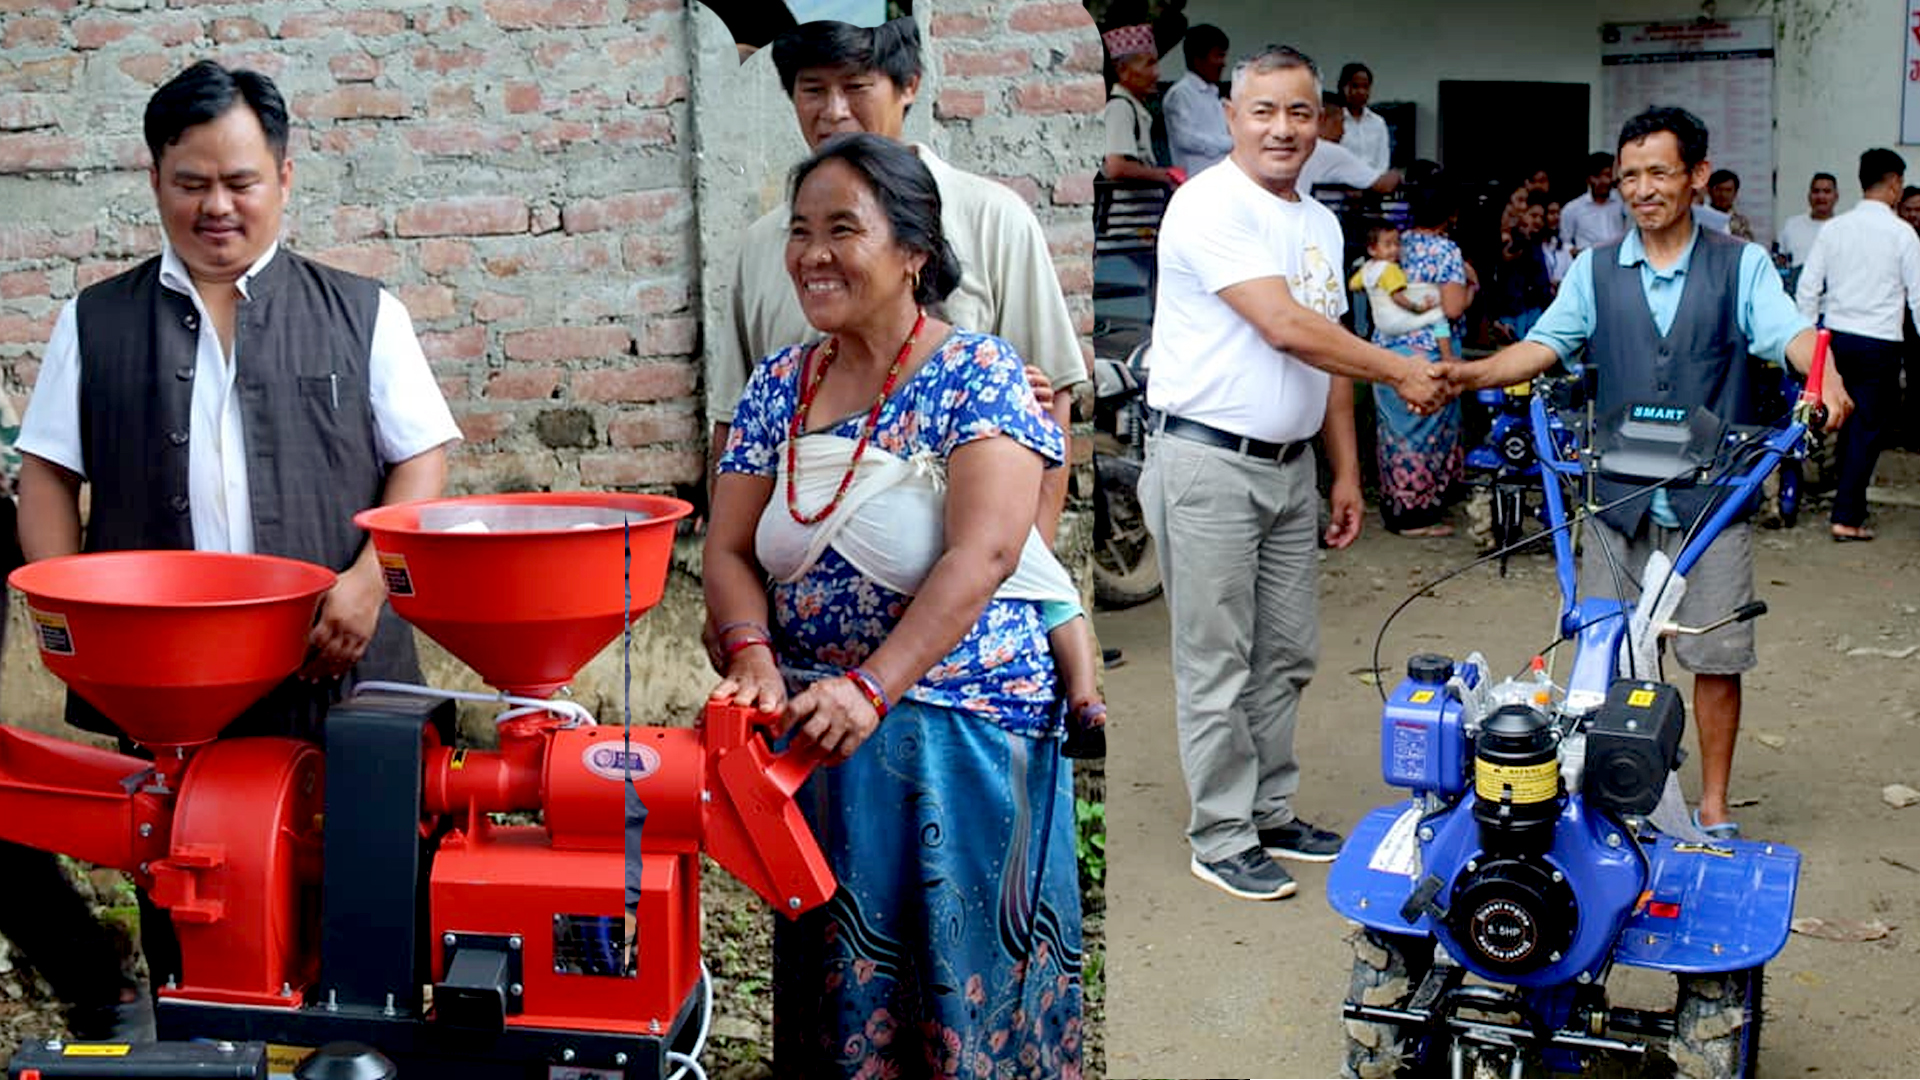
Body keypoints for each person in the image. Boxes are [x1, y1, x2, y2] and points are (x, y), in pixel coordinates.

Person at [14, 59, 459, 994]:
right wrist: (67, 616)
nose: (217, 206)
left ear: (284, 178)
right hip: (169, 684)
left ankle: (363, 1037)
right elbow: (48, 472)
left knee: (366, 892)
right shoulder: (95, 322)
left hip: (338, 660)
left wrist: (367, 585)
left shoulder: (363, 312)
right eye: (191, 183)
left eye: (240, 182)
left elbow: (421, 461)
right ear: (155, 180)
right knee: (191, 889)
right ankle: (202, 1035)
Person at [705, 133, 1084, 1077]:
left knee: (963, 980)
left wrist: (872, 689)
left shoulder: (979, 373)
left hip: (959, 734)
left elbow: (986, 552)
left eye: (843, 229)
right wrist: (751, 653)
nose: (813, 254)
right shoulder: (779, 385)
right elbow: (729, 547)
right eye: (800, 231)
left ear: (914, 249)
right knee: (842, 985)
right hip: (817, 742)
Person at [1441, 105, 1851, 838]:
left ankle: (1713, 806)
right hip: (1617, 499)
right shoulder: (1596, 270)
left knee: (1715, 659)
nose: (1642, 189)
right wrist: (1466, 375)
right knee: (1608, 656)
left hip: (1711, 499)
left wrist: (1823, 377)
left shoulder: (1740, 264)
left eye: (1659, 172)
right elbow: (1545, 344)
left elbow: (1787, 332)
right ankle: (1623, 802)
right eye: (1630, 176)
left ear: (1696, 175)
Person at [1142, 44, 1450, 901]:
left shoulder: (1317, 221)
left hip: (1288, 471)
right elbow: (1283, 325)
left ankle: (1270, 810)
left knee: (1286, 654)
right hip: (1207, 462)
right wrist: (1402, 369)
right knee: (1217, 660)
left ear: (1322, 124)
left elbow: (1327, 354)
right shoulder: (1208, 204)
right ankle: (1221, 833)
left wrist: (1343, 472)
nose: (1282, 128)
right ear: (1232, 118)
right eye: (1264, 110)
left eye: (1299, 112)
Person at [706, 18, 1088, 547]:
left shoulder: (994, 219)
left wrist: (1025, 567)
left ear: (909, 85)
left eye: (856, 86)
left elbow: (1050, 406)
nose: (833, 111)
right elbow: (734, 426)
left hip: (965, 560)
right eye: (812, 90)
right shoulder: (763, 246)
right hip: (802, 559)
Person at [1794, 148, 1920, 542]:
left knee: (1843, 422)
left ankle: (1844, 501)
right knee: (1866, 429)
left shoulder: (1834, 229)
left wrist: (1809, 342)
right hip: (1880, 344)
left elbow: (1808, 289)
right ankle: (1846, 515)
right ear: (1894, 184)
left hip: (1836, 339)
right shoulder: (1903, 234)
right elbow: (1918, 297)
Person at [1370, 185, 1471, 537]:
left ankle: (1396, 505)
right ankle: (1416, 517)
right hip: (1427, 355)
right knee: (1424, 434)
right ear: (1451, 215)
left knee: (1395, 434)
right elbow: (1453, 308)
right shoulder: (1446, 250)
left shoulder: (1395, 243)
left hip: (1385, 352)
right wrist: (1472, 288)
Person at [1350, 225, 1454, 354]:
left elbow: (1353, 286)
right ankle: (1447, 355)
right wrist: (1417, 308)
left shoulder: (1367, 268)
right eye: (1388, 245)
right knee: (1438, 315)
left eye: (1397, 244)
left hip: (1381, 324)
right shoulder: (1390, 269)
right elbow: (1397, 297)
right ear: (1372, 250)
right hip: (1395, 322)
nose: (1394, 249)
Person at [1101, 23, 1179, 189]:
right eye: (1149, 64)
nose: (1156, 73)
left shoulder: (1133, 107)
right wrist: (1164, 175)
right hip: (1130, 205)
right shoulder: (1120, 108)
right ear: (1123, 71)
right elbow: (1116, 167)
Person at [1161, 23, 1232, 176]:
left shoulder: (1214, 94)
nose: (1223, 63)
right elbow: (1185, 139)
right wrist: (1229, 143)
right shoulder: (1180, 94)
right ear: (1198, 59)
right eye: (1218, 56)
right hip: (1194, 180)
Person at [1299, 90, 1398, 196]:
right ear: (1323, 119)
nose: (1343, 131)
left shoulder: (1295, 147)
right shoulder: (1332, 153)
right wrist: (1396, 175)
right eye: (1341, 122)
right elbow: (1384, 185)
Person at [1560, 151, 1627, 256]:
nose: (1604, 181)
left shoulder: (1622, 202)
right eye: (1597, 176)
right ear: (1588, 179)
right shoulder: (1572, 209)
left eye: (1608, 175)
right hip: (1589, 260)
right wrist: (1577, 253)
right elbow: (1565, 242)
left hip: (1618, 258)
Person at [1334, 61, 1390, 173]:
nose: (1361, 92)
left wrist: (1374, 180)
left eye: (1365, 87)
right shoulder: (1334, 121)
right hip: (1341, 181)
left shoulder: (1378, 122)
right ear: (1343, 87)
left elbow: (1383, 161)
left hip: (1374, 181)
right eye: (1355, 86)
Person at [1776, 172, 1838, 268]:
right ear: (1809, 196)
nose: (1820, 196)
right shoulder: (1791, 225)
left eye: (1827, 191)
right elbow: (1780, 262)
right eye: (1816, 191)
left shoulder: (1843, 228)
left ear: (1836, 196)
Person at [1708, 168, 1755, 241]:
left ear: (1735, 193)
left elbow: (1748, 245)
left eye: (1728, 190)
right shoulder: (1698, 218)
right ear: (1709, 191)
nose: (1723, 195)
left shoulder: (1741, 222)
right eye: (1718, 189)